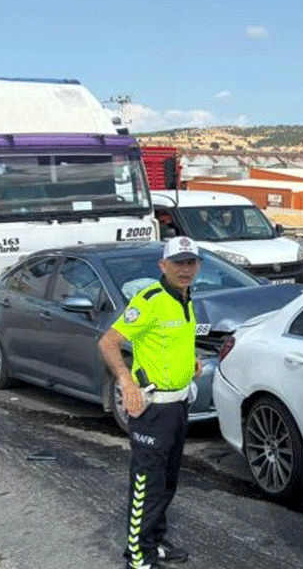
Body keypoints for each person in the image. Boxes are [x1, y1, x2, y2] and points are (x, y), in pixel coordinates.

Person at [98, 236, 204, 568]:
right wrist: (126, 380)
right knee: (147, 483)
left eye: (191, 263)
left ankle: (153, 541)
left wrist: (191, 363)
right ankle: (138, 557)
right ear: (163, 266)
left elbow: (169, 342)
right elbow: (109, 342)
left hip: (177, 405)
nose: (185, 269)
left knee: (167, 481)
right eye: (178, 263)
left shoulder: (186, 299)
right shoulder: (150, 300)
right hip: (153, 408)